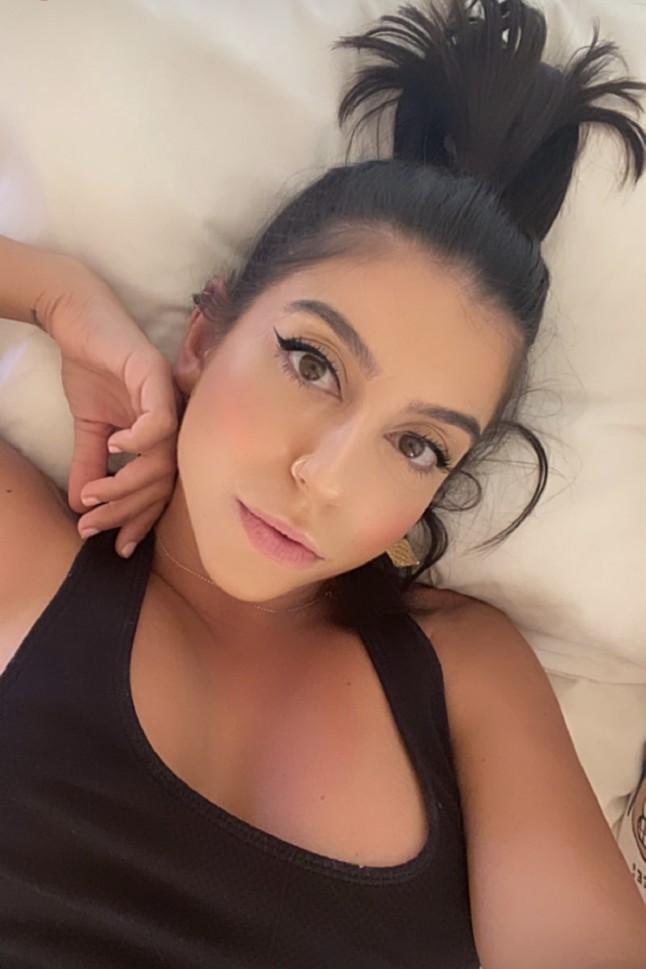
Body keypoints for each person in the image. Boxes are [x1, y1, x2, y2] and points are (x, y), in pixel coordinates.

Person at [1, 0, 645, 966]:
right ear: (204, 337)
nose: (326, 476)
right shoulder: (23, 552)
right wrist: (60, 297)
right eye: (311, 362)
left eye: (418, 445)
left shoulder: (463, 672)